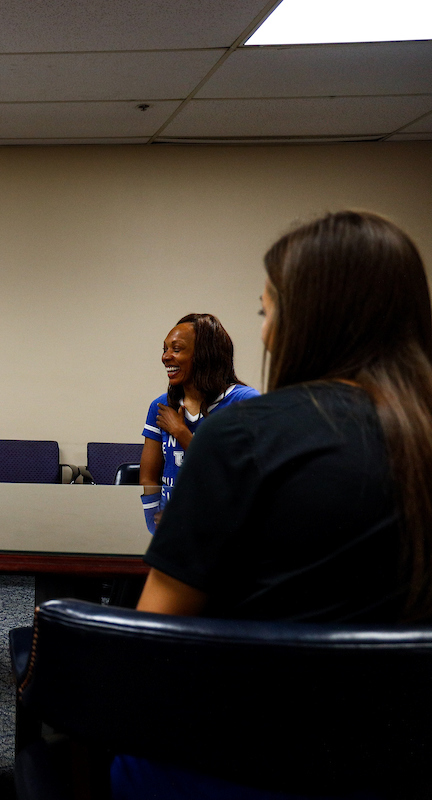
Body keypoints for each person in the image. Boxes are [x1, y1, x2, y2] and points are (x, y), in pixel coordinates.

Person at [117, 211, 432, 798]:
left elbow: (153, 643)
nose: (264, 332)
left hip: (250, 761)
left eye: (266, 312)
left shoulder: (240, 433)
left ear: (304, 320)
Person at [138, 313, 259, 531]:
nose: (165, 357)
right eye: (165, 349)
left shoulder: (244, 402)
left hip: (225, 527)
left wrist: (182, 433)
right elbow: (148, 479)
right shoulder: (161, 406)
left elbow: (237, 476)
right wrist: (155, 530)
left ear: (205, 354)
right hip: (172, 525)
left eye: (176, 349)